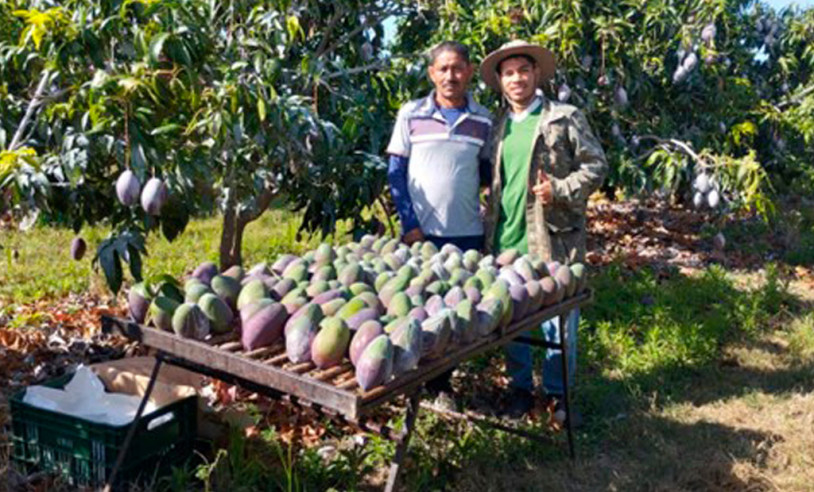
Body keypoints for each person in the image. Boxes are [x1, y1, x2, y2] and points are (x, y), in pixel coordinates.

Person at [480, 41, 608, 420]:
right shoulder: (498, 125)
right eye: (508, 73)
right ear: (501, 81)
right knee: (513, 319)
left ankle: (557, 394)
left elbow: (596, 165)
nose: (516, 78)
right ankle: (520, 389)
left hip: (554, 237)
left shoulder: (563, 117)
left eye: (523, 70)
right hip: (505, 239)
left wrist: (560, 189)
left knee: (559, 324)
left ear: (536, 74)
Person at [386, 41, 492, 408]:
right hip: (422, 234)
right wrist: (409, 224)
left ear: (469, 71)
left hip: (466, 232)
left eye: (458, 68)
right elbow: (396, 174)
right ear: (431, 73)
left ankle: (441, 383)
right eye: (442, 68)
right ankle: (414, 379)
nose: (451, 75)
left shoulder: (484, 120)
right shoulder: (410, 114)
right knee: (418, 306)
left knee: (455, 312)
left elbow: (486, 172)